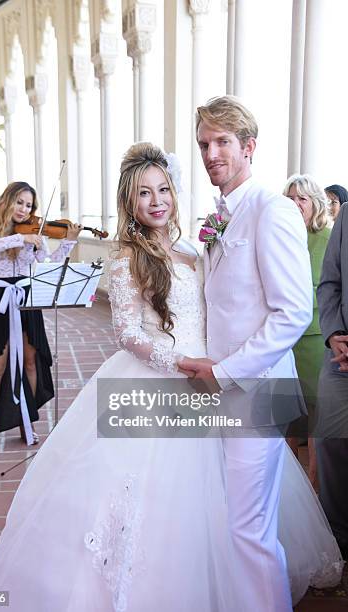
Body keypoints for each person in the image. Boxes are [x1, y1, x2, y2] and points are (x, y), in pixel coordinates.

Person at [0, 144, 342, 612]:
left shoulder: (196, 248)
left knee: (235, 503)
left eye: (163, 189)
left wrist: (218, 364)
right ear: (129, 202)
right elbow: (127, 333)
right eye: (144, 193)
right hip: (159, 382)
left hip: (216, 381)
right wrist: (179, 365)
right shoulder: (127, 256)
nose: (157, 201)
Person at [178, 96, 328, 611]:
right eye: (204, 144)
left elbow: (292, 314)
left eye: (223, 142)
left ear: (249, 147)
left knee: (248, 528)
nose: (212, 153)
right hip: (220, 391)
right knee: (233, 518)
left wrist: (223, 372)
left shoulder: (273, 209)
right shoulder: (219, 217)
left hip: (257, 390)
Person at [0, 181, 80, 451]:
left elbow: (48, 266)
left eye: (29, 205)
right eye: (20, 202)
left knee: (31, 360)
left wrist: (67, 244)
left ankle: (26, 419)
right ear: (7, 200)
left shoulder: (35, 233)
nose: (24, 209)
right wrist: (21, 238)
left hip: (26, 295)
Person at [283, 174, 330, 484]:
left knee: (314, 419)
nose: (296, 204)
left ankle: (314, 485)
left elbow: (326, 288)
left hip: (313, 337)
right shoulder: (282, 234)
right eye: (291, 198)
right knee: (285, 414)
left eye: (302, 198)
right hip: (283, 338)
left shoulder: (325, 237)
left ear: (316, 204)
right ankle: (287, 488)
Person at [316, 201, 348, 560]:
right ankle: (339, 536)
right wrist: (333, 334)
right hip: (342, 351)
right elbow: (330, 284)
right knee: (330, 441)